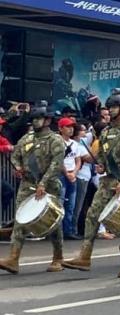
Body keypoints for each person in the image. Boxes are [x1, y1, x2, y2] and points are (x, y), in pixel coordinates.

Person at [63, 89, 120, 277]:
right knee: (93, 215)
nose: (110, 110)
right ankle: (85, 256)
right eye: (109, 107)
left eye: (114, 107)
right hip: (108, 181)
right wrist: (100, 165)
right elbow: (102, 155)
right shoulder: (107, 131)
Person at [0, 101, 66, 274]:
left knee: (53, 222)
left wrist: (43, 183)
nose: (35, 121)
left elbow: (56, 165)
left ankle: (58, 257)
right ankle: (13, 259)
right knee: (20, 220)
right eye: (34, 118)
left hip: (49, 185)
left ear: (47, 120)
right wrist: (18, 167)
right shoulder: (27, 138)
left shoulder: (56, 140)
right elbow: (15, 155)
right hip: (27, 184)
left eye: (39, 118)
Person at [58, 117, 82, 240]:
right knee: (60, 203)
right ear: (61, 129)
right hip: (62, 175)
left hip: (73, 174)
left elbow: (78, 160)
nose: (71, 129)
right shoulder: (57, 142)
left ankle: (69, 230)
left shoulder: (75, 144)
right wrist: (67, 173)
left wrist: (74, 173)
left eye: (72, 127)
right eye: (68, 127)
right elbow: (58, 160)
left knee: (71, 205)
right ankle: (59, 231)